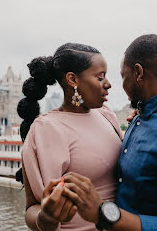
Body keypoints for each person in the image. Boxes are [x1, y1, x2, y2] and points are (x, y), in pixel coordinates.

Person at [61, 34, 157, 231]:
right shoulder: (140, 119)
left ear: (138, 73)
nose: (117, 85)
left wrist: (103, 212)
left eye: (123, 76)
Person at [18, 43, 123, 231]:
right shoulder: (47, 128)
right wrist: (46, 219)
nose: (108, 84)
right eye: (100, 77)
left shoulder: (106, 115)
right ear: (72, 79)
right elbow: (32, 207)